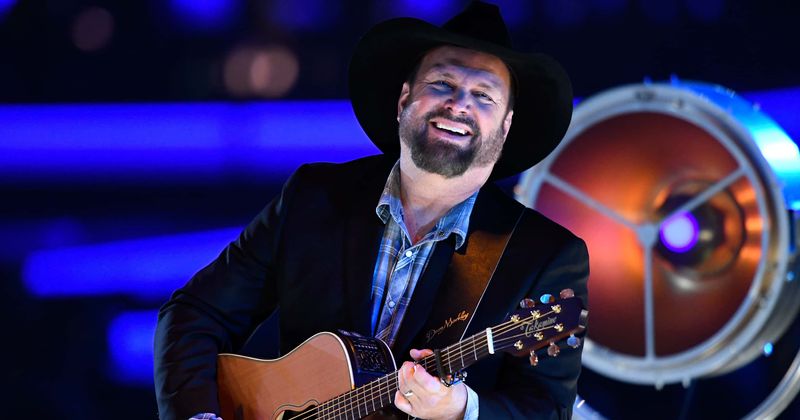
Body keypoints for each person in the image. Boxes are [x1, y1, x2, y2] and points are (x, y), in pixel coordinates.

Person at [154, 2, 589, 419]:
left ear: (506, 125)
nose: (459, 104)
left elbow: (547, 408)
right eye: (441, 83)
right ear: (404, 100)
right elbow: (195, 312)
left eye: (484, 95)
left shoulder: (544, 256)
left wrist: (459, 411)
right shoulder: (314, 196)